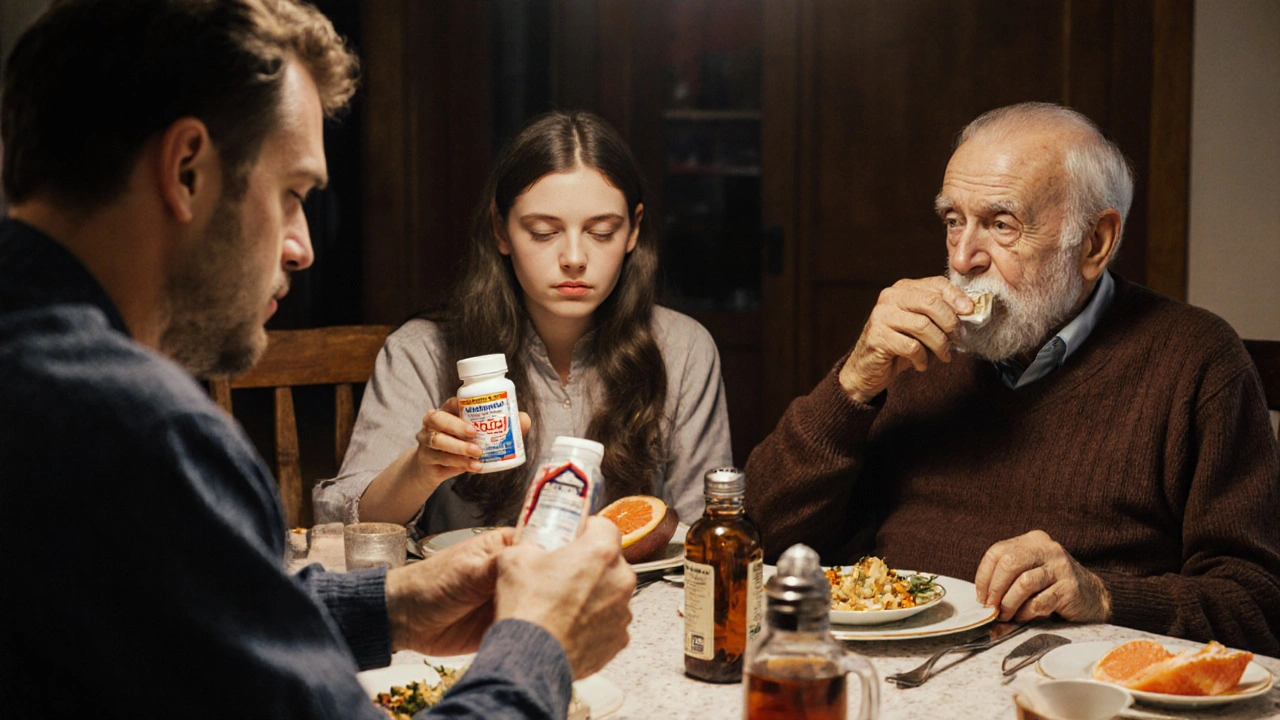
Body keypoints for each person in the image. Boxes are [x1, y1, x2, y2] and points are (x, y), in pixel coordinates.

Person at [0, 1, 634, 718]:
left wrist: (388, 606)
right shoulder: (144, 434)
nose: (302, 246)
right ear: (185, 172)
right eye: (292, 194)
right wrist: (538, 641)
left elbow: (168, 619)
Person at [744, 102, 1280, 653]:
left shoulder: (1197, 360)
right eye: (954, 221)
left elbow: (1258, 606)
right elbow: (756, 539)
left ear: (1095, 243)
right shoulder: (910, 349)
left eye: (1002, 225)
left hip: (1071, 688)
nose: (963, 257)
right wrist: (851, 385)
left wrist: (1102, 594)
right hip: (889, 670)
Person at [317, 111, 732, 534]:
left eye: (602, 231)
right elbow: (347, 525)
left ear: (633, 232)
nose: (574, 257)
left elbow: (706, 527)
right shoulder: (422, 350)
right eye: (543, 232)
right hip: (476, 595)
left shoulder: (682, 349)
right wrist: (423, 467)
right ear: (501, 229)